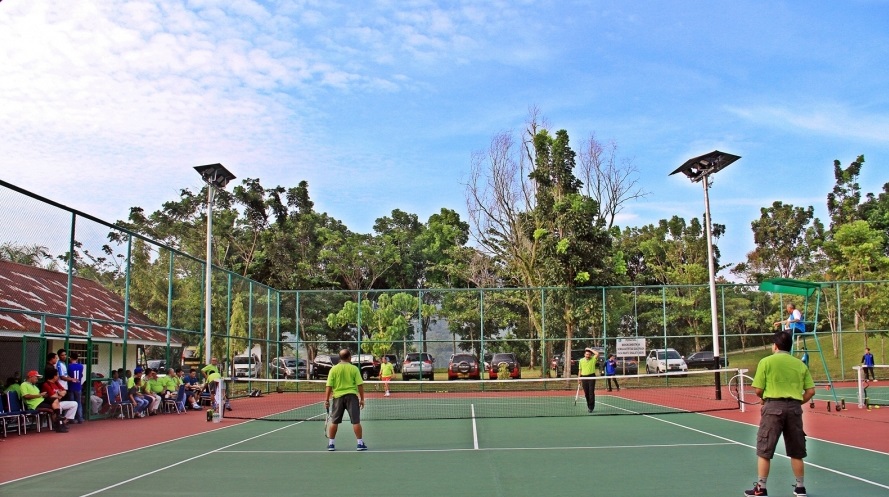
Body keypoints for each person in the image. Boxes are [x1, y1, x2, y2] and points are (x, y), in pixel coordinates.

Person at [745, 331, 816, 497]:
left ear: (775, 345)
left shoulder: (766, 362)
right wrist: (796, 403)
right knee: (796, 450)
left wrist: (765, 399)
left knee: (764, 449)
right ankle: (800, 487)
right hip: (794, 409)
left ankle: (761, 488)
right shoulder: (800, 364)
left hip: (772, 408)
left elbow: (758, 390)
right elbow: (810, 391)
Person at [324, 349, 367, 451]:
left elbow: (329, 386)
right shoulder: (354, 369)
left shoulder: (333, 369)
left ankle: (331, 444)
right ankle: (360, 444)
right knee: (356, 421)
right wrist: (362, 399)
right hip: (352, 397)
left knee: (334, 422)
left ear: (340, 357)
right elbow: (360, 385)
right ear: (349, 357)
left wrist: (326, 400)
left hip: (337, 397)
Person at [577, 348, 599, 413]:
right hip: (584, 377)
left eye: (589, 354)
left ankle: (591, 407)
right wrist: (579, 378)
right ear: (584, 354)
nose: (587, 355)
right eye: (586, 354)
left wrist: (589, 349)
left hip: (591, 376)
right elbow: (580, 370)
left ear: (590, 355)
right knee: (586, 393)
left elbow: (597, 354)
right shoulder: (581, 360)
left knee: (591, 392)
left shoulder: (593, 359)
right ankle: (588, 405)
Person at [67, 352, 85, 423]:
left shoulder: (68, 366)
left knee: (72, 403)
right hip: (78, 386)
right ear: (77, 359)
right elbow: (81, 375)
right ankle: (80, 418)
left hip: (71, 386)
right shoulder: (81, 366)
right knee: (78, 402)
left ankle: (72, 418)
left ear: (70, 358)